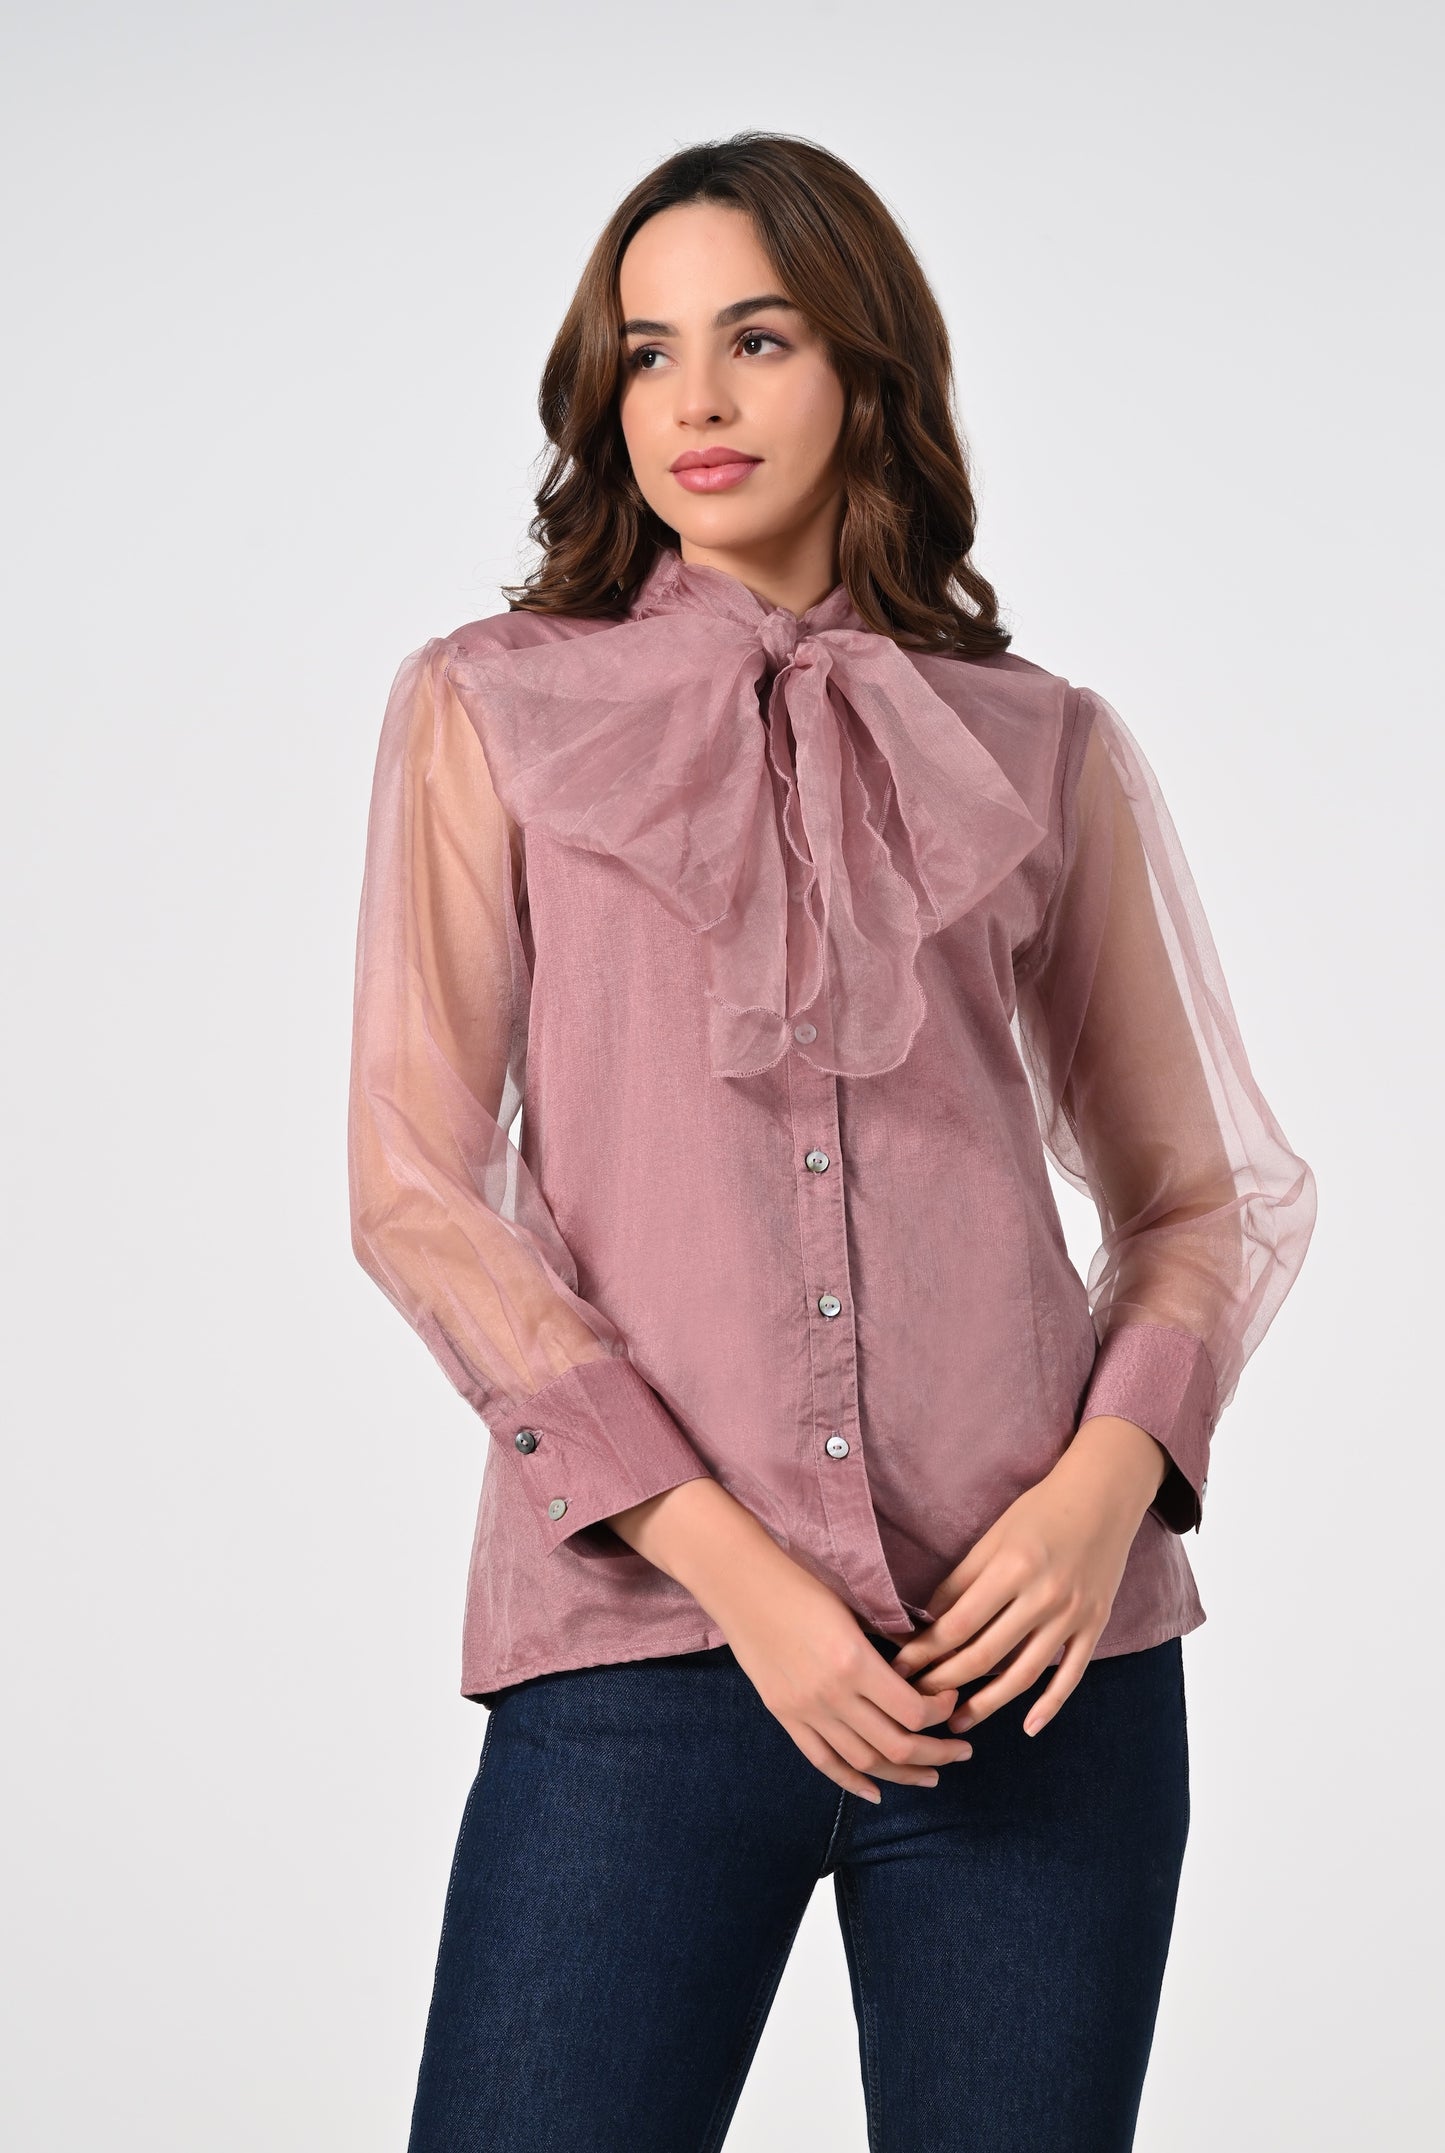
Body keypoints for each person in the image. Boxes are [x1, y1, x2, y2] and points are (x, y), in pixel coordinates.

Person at [347, 130, 1317, 2153]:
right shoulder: (491, 707)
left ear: (865, 368)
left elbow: (1198, 1197)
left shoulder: (1038, 738)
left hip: (1030, 1668)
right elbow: (418, 1192)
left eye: (758, 339)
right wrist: (741, 1574)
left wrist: (1101, 1496)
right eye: (648, 352)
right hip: (644, 1648)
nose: (693, 400)